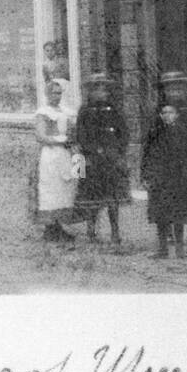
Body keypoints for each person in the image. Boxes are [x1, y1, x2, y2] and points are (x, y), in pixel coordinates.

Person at [74, 73, 130, 247]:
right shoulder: (84, 111)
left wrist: (118, 150)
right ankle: (91, 230)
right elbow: (80, 135)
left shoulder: (113, 109)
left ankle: (115, 232)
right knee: (91, 198)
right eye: (97, 89)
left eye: (104, 89)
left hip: (111, 159)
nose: (102, 92)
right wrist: (91, 151)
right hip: (91, 159)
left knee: (113, 198)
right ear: (91, 92)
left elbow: (124, 133)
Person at [141, 102, 187, 259]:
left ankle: (180, 248)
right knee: (161, 215)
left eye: (171, 112)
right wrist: (145, 176)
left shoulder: (184, 132)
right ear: (160, 115)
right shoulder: (155, 133)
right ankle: (163, 249)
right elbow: (146, 155)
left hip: (178, 179)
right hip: (159, 178)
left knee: (178, 214)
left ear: (177, 115)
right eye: (164, 113)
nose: (167, 115)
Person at [158, 70, 187, 244]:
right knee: (168, 195)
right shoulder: (160, 110)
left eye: (179, 88)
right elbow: (154, 134)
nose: (175, 92)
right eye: (171, 89)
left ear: (185, 89)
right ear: (165, 90)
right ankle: (170, 231)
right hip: (167, 160)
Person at [35, 79, 77, 246]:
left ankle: (60, 225)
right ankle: (50, 228)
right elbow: (40, 136)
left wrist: (71, 141)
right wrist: (59, 141)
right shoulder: (43, 112)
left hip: (67, 155)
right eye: (54, 93)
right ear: (47, 94)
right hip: (51, 154)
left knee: (66, 188)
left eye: (59, 93)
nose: (57, 96)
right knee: (51, 189)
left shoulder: (67, 112)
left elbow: (74, 132)